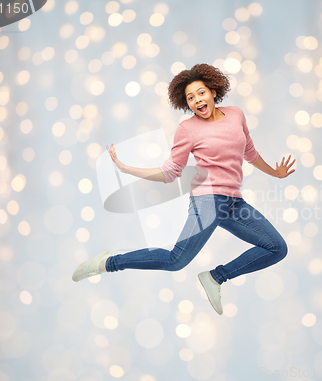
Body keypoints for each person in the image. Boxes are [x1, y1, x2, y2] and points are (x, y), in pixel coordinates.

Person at [72, 63, 296, 315]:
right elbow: (170, 173)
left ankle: (215, 277)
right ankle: (107, 263)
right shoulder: (187, 130)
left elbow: (250, 153)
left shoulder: (236, 114)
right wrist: (127, 169)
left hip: (234, 203)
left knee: (277, 248)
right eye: (190, 97)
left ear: (213, 91)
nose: (197, 100)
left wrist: (275, 172)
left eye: (201, 93)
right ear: (185, 102)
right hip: (207, 201)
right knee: (176, 260)